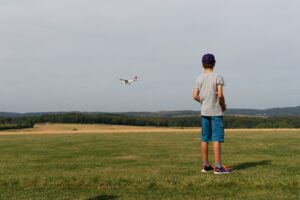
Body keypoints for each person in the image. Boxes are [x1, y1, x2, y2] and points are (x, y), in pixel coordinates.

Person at [193, 53, 230, 174]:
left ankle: (205, 165)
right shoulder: (218, 76)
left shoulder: (199, 78)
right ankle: (218, 167)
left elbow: (195, 96)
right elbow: (220, 95)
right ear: (214, 63)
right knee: (216, 138)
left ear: (202, 64)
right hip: (216, 112)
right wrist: (223, 106)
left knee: (204, 139)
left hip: (204, 112)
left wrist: (203, 101)